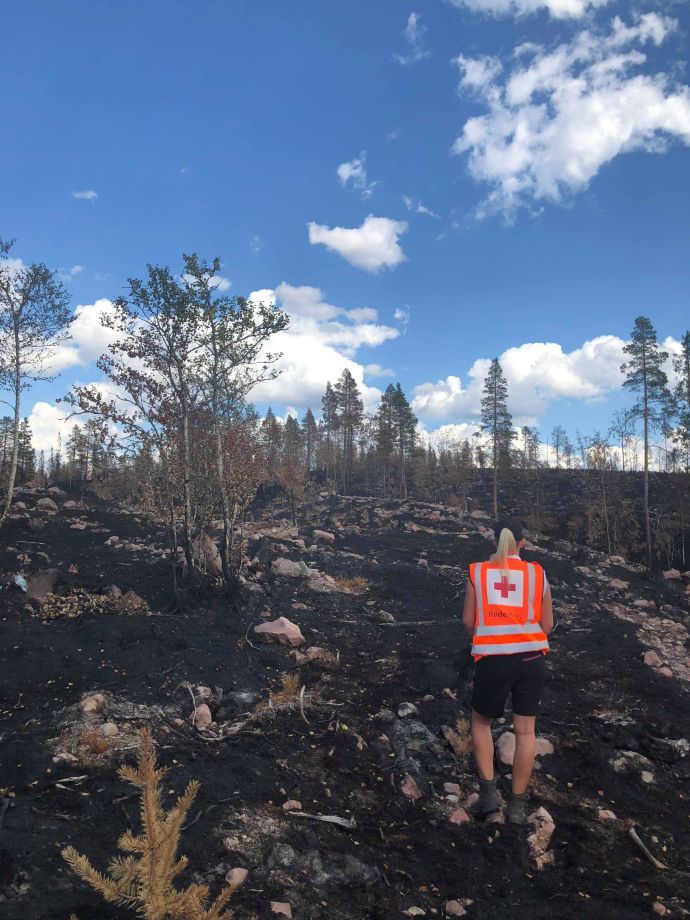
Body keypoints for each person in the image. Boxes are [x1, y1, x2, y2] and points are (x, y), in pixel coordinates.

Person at [462, 516, 553, 825]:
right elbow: (547, 625)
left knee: (481, 723)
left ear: (494, 542)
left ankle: (488, 798)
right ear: (522, 544)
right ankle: (515, 808)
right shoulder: (537, 574)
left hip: (494, 661)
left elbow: (469, 622)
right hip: (531, 661)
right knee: (526, 731)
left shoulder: (479, 572)